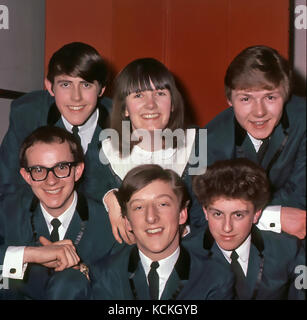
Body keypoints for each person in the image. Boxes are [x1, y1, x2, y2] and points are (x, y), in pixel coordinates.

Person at [83, 164, 234, 300]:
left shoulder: (215, 278)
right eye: (139, 207)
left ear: (182, 214)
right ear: (127, 221)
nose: (151, 217)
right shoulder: (105, 275)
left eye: (162, 204)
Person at [0, 126, 117, 299]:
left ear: (77, 171)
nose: (51, 181)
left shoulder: (108, 222)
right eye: (39, 170)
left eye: (61, 167)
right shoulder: (7, 211)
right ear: (26, 176)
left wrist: (83, 273)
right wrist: (30, 254)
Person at [100, 57, 208, 243]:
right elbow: (89, 189)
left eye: (160, 93)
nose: (151, 104)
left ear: (173, 103)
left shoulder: (199, 144)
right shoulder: (106, 150)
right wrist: (109, 197)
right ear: (125, 108)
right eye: (138, 95)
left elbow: (206, 214)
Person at [206, 45, 306, 239]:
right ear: (229, 99)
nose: (259, 112)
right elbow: (199, 213)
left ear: (285, 95)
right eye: (246, 99)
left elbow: (301, 198)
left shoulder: (304, 120)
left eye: (270, 97)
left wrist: (236, 211)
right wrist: (272, 216)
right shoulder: (207, 139)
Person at [0, 42, 113, 203]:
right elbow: (8, 187)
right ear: (50, 87)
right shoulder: (27, 114)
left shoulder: (124, 122)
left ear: (101, 89)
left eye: (86, 85)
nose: (76, 97)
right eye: (66, 84)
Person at [192, 158, 305, 300]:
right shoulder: (185, 255)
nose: (227, 227)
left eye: (238, 215)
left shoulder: (288, 250)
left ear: (256, 214)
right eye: (218, 214)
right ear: (205, 212)